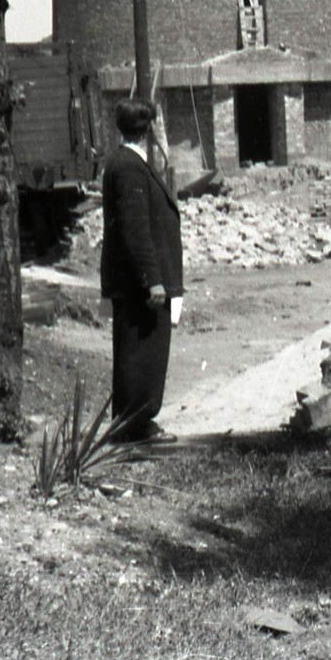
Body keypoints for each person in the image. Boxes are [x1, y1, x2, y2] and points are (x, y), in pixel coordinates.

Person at [100, 98, 184, 444]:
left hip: (135, 283)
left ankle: (129, 421)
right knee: (143, 352)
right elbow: (135, 230)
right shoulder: (130, 167)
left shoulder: (123, 162)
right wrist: (153, 281)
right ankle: (138, 423)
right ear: (148, 129)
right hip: (142, 287)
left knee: (134, 351)